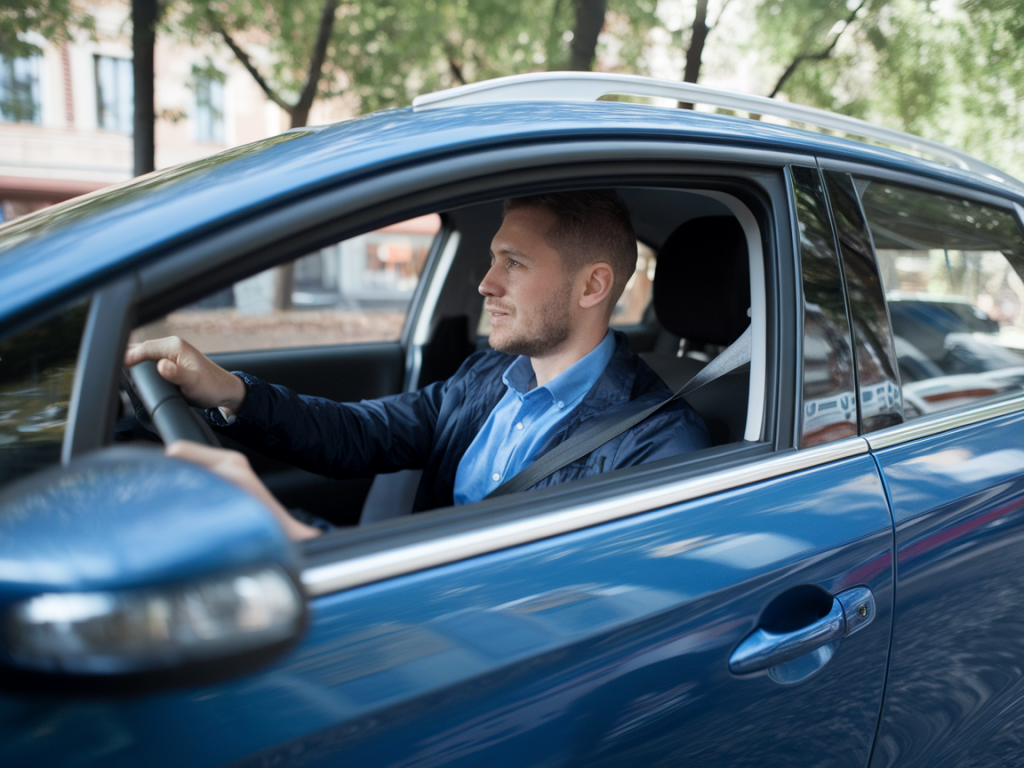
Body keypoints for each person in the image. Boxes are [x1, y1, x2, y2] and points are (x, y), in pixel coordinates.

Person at [126, 190, 710, 539]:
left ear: (593, 286)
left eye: (514, 263)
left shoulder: (657, 443)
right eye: (491, 260)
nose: (486, 284)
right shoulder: (486, 378)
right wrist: (231, 391)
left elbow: (555, 611)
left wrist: (307, 546)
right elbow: (362, 432)